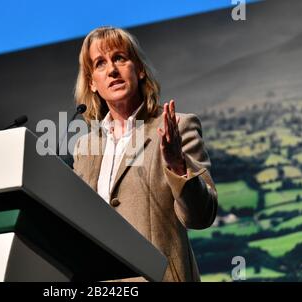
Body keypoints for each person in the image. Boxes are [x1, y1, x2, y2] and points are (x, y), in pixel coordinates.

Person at [72, 26, 218, 282]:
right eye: (100, 64)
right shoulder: (84, 148)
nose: (112, 70)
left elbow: (201, 216)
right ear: (92, 83)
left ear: (139, 69)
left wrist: (178, 166)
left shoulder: (177, 126)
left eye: (119, 58)